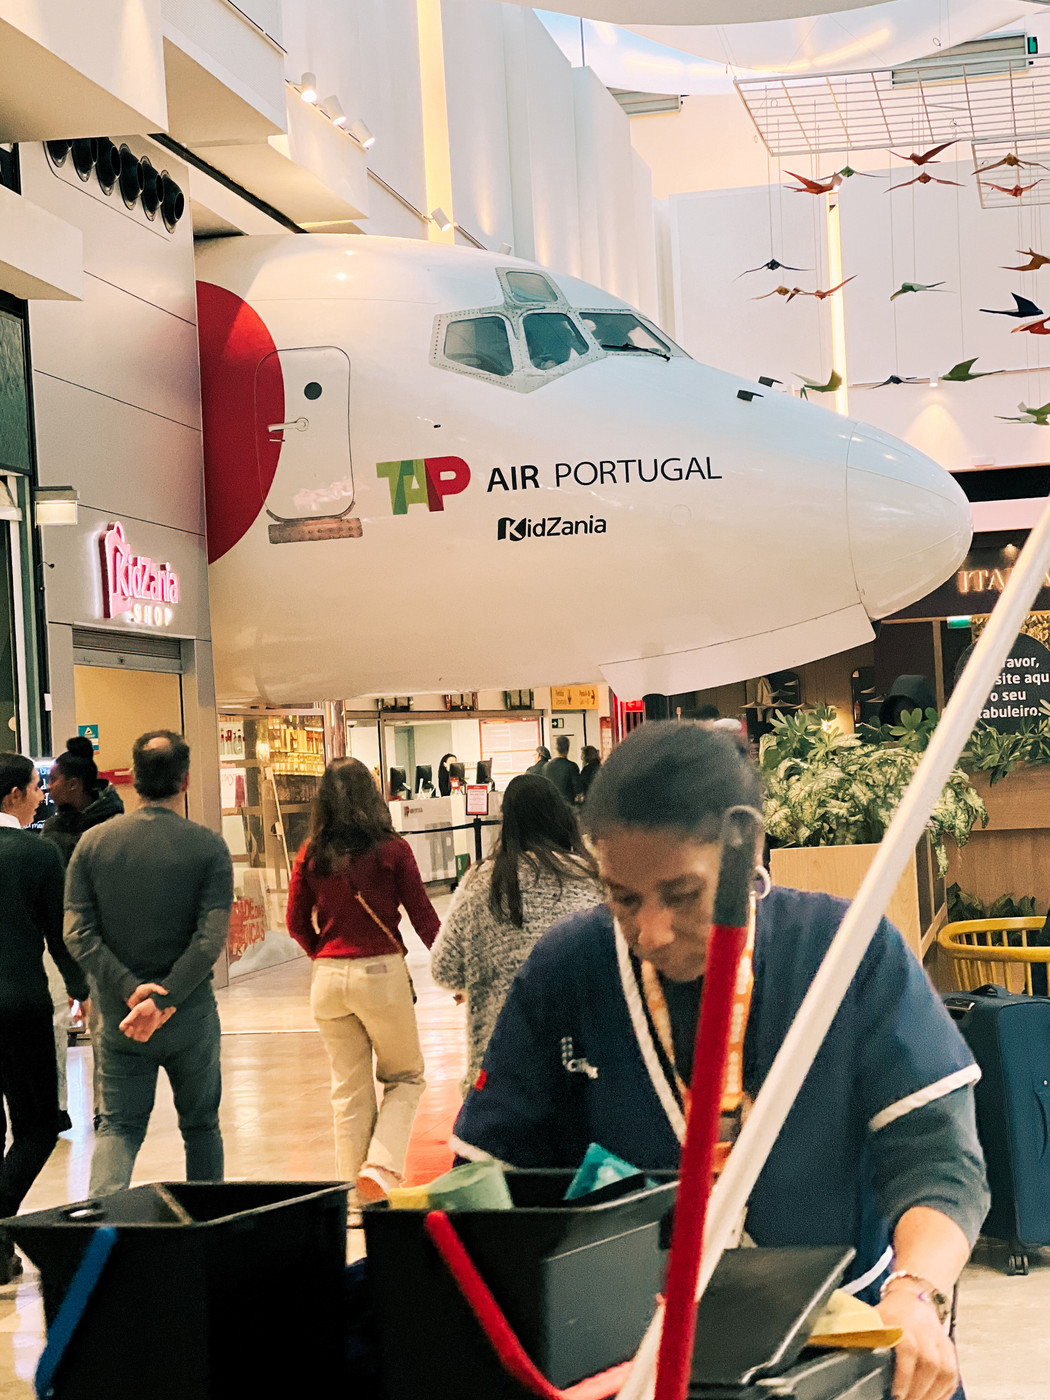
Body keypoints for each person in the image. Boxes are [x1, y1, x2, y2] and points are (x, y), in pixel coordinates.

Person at [454, 723, 988, 1400]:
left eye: (682, 894)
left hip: (844, 1349)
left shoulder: (846, 952)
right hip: (638, 1357)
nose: (651, 932)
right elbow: (491, 1181)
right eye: (622, 897)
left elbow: (939, 1157)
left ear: (749, 849)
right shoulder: (569, 971)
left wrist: (915, 1292)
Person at [64, 731, 233, 1196]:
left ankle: (100, 1230)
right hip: (190, 1014)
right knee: (201, 1126)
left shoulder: (93, 845)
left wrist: (129, 989)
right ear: (186, 779)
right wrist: (165, 997)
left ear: (133, 779)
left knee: (118, 1128)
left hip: (120, 1018)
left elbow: (78, 932)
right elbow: (210, 939)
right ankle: (205, 1224)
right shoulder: (208, 847)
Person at [286, 757, 440, 1203]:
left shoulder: (311, 853)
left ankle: (354, 1198)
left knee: (349, 1093)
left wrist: (324, 955)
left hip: (327, 979)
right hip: (380, 974)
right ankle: (380, 1167)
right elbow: (424, 917)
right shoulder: (393, 850)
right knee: (405, 1077)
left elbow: (295, 922)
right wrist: (455, 971)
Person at [431, 775, 603, 1087]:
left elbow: (444, 968)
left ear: (507, 823)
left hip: (500, 1066)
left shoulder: (482, 881)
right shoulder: (592, 877)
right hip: (580, 1061)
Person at [0, 754, 90, 1282]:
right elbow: (60, 934)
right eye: (36, 787)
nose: (42, 796)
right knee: (37, 1126)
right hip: (20, 1006)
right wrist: (82, 989)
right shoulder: (36, 854)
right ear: (14, 794)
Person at [40, 736, 124, 1131]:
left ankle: (107, 1109)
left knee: (104, 1030)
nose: (48, 787)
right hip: (61, 938)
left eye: (54, 780)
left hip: (106, 942)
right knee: (59, 1024)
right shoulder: (53, 828)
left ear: (74, 784)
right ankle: (56, 1108)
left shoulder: (115, 827)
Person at [542, 734, 580, 806]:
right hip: (567, 805)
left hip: (552, 804)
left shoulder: (546, 766)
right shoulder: (572, 766)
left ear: (556, 749)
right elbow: (578, 788)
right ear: (567, 749)